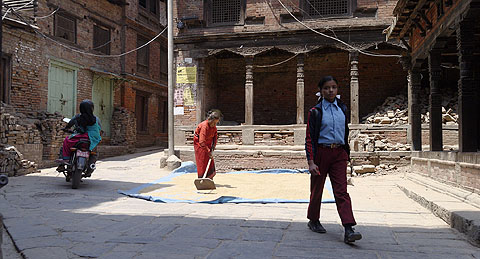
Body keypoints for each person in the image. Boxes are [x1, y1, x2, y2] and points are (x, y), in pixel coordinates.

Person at [305, 76, 362, 244]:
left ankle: (348, 227)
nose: (330, 90)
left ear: (337, 89)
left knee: (341, 191)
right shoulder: (315, 112)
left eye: (334, 87)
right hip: (321, 153)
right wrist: (311, 162)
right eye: (327, 88)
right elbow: (309, 138)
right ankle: (313, 219)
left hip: (338, 154)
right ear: (321, 91)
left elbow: (345, 132)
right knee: (317, 189)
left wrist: (346, 154)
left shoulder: (342, 109)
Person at [57, 100, 102, 177]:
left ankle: (64, 160)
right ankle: (91, 167)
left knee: (66, 141)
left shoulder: (78, 117)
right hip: (93, 139)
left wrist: (66, 128)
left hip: (82, 137)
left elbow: (70, 124)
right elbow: (100, 128)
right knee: (94, 153)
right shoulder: (96, 119)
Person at [194, 109, 221, 179]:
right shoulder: (204, 126)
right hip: (200, 145)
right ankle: (201, 178)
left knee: (210, 161)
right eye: (214, 123)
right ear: (210, 120)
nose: (215, 125)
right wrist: (208, 151)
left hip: (208, 144)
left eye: (216, 123)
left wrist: (213, 147)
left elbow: (215, 137)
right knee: (202, 162)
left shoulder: (213, 127)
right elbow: (202, 141)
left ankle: (209, 178)